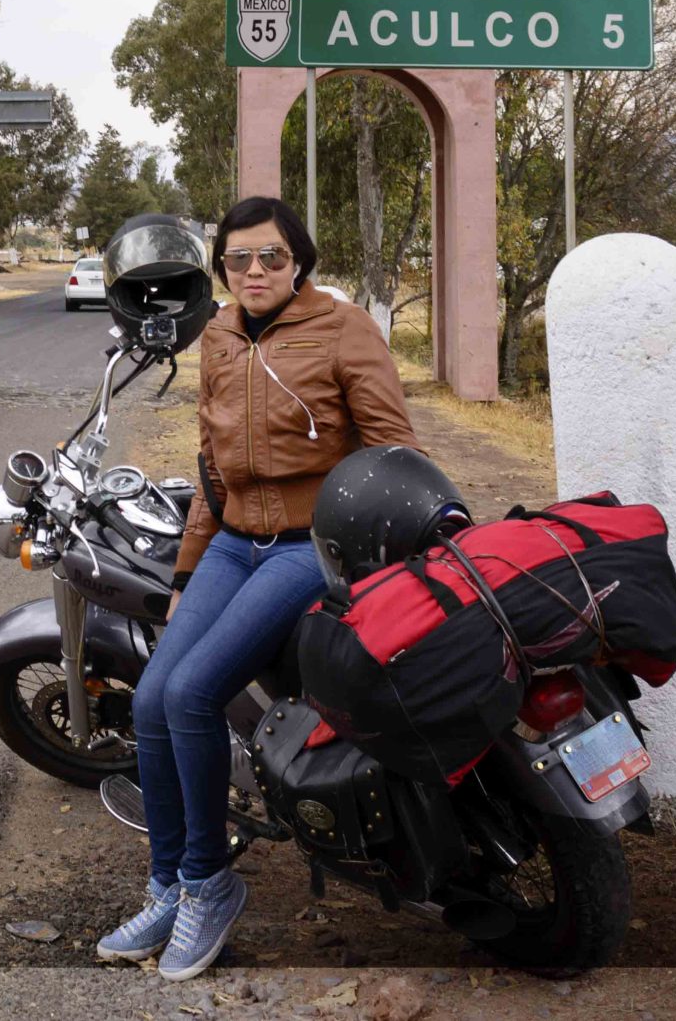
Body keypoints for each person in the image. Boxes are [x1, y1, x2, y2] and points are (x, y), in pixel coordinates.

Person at [96, 194, 419, 981]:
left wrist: (384, 554)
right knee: (150, 697)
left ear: (298, 259)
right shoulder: (219, 335)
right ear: (222, 269)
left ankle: (210, 882)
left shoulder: (344, 328)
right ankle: (169, 884)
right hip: (235, 543)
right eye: (237, 258)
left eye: (271, 255)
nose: (255, 270)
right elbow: (212, 470)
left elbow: (393, 449)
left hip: (311, 545)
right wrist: (186, 572)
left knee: (193, 693)